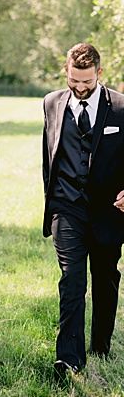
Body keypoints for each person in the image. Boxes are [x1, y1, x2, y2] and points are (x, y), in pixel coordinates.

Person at [40, 43, 124, 378]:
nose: (80, 87)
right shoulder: (51, 103)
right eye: (74, 80)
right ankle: (69, 359)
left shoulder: (120, 107)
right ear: (66, 71)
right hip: (67, 207)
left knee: (105, 279)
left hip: (108, 211)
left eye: (87, 81)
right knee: (71, 279)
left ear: (100, 74)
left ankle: (100, 344)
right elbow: (49, 154)